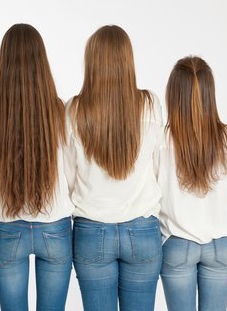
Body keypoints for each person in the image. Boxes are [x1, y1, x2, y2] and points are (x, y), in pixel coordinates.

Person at [64, 25, 163, 311]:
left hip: (91, 230)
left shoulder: (74, 109)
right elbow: (158, 165)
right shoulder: (150, 104)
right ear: (127, 60)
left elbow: (69, 175)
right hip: (143, 229)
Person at [0, 23, 74, 311]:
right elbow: (70, 174)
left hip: (9, 229)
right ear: (41, 62)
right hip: (55, 227)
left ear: (3, 62)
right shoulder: (60, 110)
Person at [156, 56, 227, 311]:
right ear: (209, 94)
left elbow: (151, 199)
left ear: (173, 94)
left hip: (176, 245)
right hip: (221, 248)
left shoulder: (159, 140)